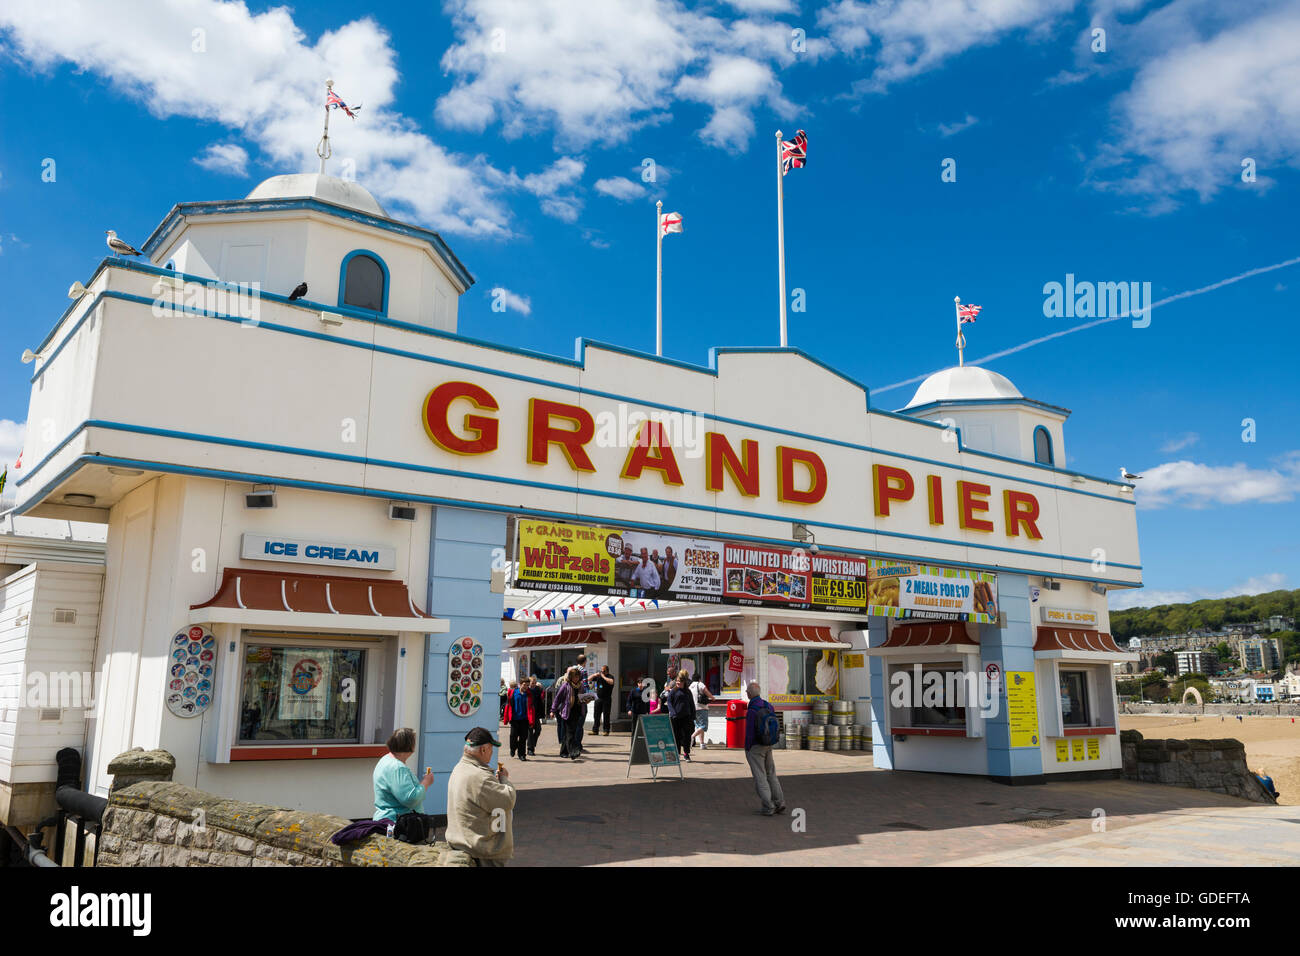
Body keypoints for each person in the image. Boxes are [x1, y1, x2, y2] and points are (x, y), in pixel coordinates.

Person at [445, 727, 516, 867]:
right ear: (483, 750)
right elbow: (507, 800)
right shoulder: (480, 776)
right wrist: (505, 780)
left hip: (463, 843)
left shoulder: (460, 767)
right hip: (480, 852)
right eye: (491, 749)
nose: (491, 753)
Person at [372, 727, 435, 823]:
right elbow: (410, 799)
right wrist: (426, 781)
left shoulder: (386, 759)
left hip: (389, 820)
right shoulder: (397, 767)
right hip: (399, 825)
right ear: (410, 746)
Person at [744, 682, 786, 816]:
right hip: (768, 744)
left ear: (749, 694)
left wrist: (747, 748)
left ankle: (768, 806)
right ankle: (780, 802)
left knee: (760, 777)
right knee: (771, 774)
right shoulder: (769, 706)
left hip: (756, 747)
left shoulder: (752, 710)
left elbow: (750, 733)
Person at [551, 668, 583, 759]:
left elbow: (583, 697)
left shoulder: (581, 686)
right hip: (567, 712)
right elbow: (558, 699)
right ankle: (573, 752)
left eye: (578, 677)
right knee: (570, 733)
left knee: (569, 733)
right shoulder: (566, 685)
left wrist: (587, 699)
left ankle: (563, 752)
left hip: (577, 711)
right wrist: (552, 710)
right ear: (571, 677)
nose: (576, 679)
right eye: (574, 677)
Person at [664, 671, 697, 760]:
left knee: (686, 736)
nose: (678, 683)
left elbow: (691, 704)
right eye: (677, 681)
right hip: (675, 718)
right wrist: (673, 712)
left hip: (686, 717)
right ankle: (677, 753)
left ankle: (686, 753)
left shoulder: (688, 691)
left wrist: (693, 716)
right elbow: (669, 703)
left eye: (679, 681)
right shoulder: (673, 691)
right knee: (676, 736)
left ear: (684, 682)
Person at [503, 680, 535, 761]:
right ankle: (513, 748)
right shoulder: (513, 692)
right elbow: (508, 705)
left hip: (524, 719)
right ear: (520, 684)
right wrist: (506, 718)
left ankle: (522, 755)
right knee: (513, 736)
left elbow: (531, 708)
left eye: (527, 685)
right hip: (514, 719)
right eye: (524, 685)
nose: (526, 687)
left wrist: (531, 721)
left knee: (523, 738)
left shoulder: (529, 694)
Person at [689, 671, 714, 750]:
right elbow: (706, 692)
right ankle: (692, 736)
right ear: (699, 679)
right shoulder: (700, 684)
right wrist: (712, 698)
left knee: (699, 726)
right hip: (702, 707)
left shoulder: (690, 686)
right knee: (704, 726)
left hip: (693, 708)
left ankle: (702, 744)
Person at [590, 665, 616, 735]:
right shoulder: (598, 677)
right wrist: (594, 675)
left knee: (606, 715)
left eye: (603, 671)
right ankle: (595, 730)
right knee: (596, 715)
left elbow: (611, 682)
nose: (602, 672)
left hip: (606, 699)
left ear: (607, 671)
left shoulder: (610, 676)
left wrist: (603, 677)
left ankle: (606, 730)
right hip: (598, 698)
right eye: (601, 671)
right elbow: (589, 679)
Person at [527, 676, 546, 755]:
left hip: (536, 714)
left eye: (535, 683)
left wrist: (542, 688)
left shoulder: (538, 689)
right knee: (530, 732)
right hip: (529, 714)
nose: (533, 685)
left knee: (538, 730)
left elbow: (542, 696)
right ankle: (530, 749)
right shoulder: (527, 690)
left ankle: (532, 744)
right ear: (529, 683)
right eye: (532, 683)